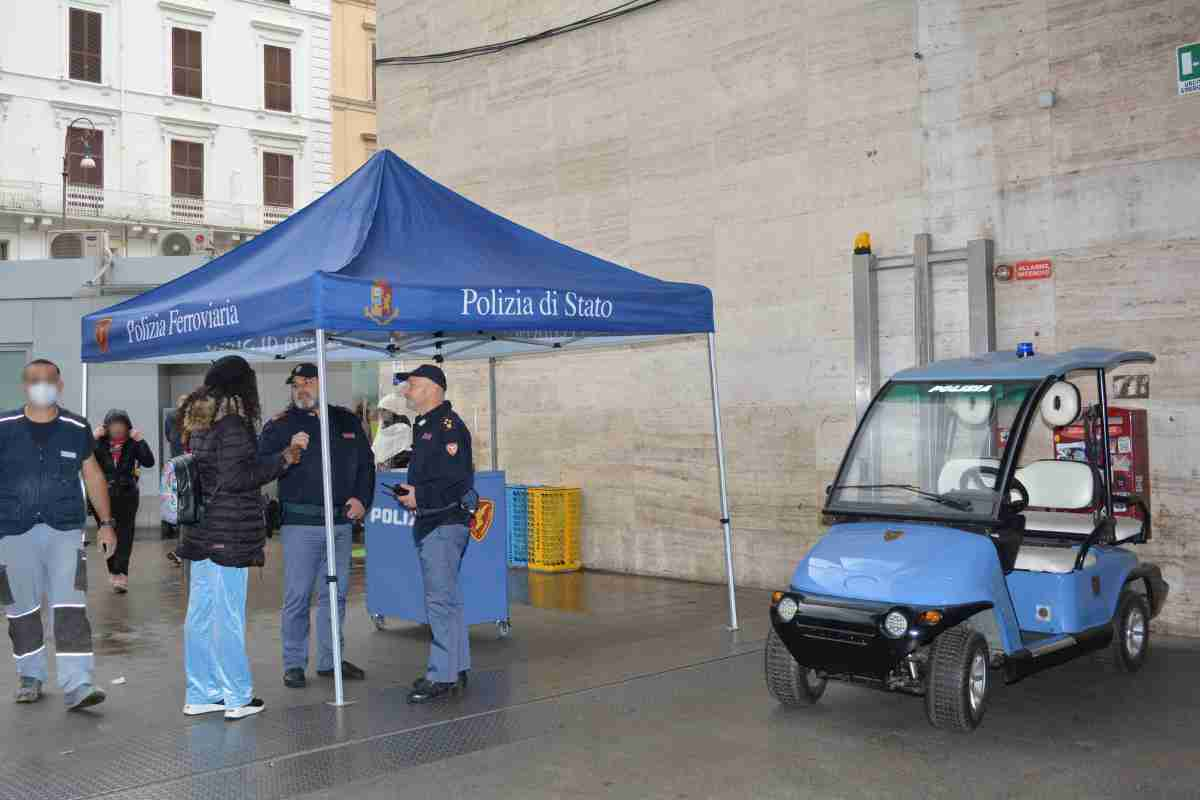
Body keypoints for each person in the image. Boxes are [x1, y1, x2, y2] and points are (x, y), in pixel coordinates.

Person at [177, 355, 302, 721]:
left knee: (200, 614)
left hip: (200, 530)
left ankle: (201, 692)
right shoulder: (232, 423)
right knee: (227, 615)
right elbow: (236, 477)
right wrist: (283, 460)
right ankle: (237, 696)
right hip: (227, 532)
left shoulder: (198, 420)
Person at [0, 359, 115, 709]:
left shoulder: (75, 426)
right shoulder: (3, 426)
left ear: (60, 385)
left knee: (70, 606)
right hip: (13, 531)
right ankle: (30, 675)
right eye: (35, 380)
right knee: (21, 609)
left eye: (48, 380)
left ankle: (78, 683)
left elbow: (93, 475)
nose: (42, 386)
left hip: (65, 529)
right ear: (25, 385)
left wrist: (107, 524)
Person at [259, 363, 375, 689]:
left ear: (321, 382)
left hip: (340, 522)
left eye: (307, 382)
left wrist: (362, 499)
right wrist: (287, 451)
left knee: (334, 596)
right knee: (298, 596)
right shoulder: (280, 426)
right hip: (301, 524)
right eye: (295, 384)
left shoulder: (346, 420)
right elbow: (259, 466)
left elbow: (366, 465)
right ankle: (294, 663)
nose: (301, 389)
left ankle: (330, 660)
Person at [394, 365, 475, 704]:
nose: (405, 391)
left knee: (440, 603)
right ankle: (456, 666)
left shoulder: (448, 427)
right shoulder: (426, 425)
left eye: (410, 385)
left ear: (430, 387)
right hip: (435, 521)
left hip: (443, 523)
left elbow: (457, 481)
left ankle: (441, 674)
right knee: (449, 601)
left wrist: (419, 497)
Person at [91, 409, 155, 593]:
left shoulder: (133, 444)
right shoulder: (99, 444)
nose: (118, 430)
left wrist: (140, 440)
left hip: (127, 495)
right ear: (106, 428)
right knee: (106, 534)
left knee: (125, 535)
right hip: (102, 497)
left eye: (122, 426)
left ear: (128, 427)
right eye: (114, 426)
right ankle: (113, 569)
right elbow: (82, 458)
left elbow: (149, 461)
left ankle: (122, 574)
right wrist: (92, 439)